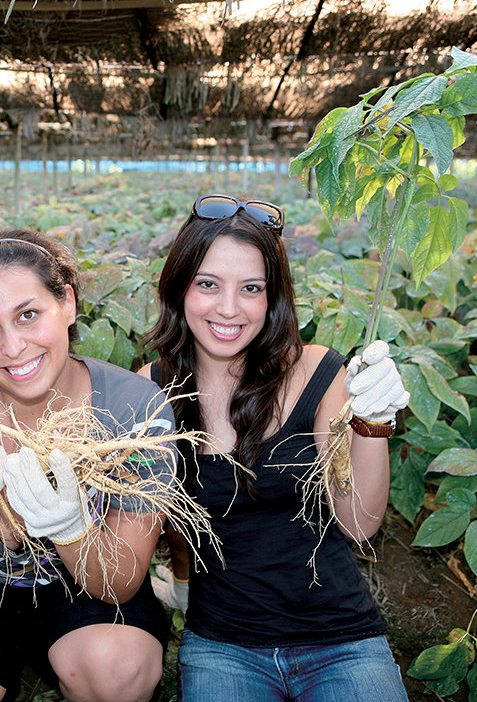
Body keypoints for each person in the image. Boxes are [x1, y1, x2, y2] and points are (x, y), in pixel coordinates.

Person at [141, 194, 411, 701]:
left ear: (273, 298)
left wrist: (372, 424)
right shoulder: (154, 390)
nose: (228, 308)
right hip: (223, 645)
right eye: (207, 284)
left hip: (340, 639)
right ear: (179, 288)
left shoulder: (319, 372)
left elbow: (360, 523)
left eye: (251, 288)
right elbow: (159, 517)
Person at [0, 229, 175, 702]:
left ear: (68, 303)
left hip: (82, 577)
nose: (13, 346)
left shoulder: (131, 407)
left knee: (117, 673)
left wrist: (71, 526)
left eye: (28, 315)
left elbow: (119, 584)